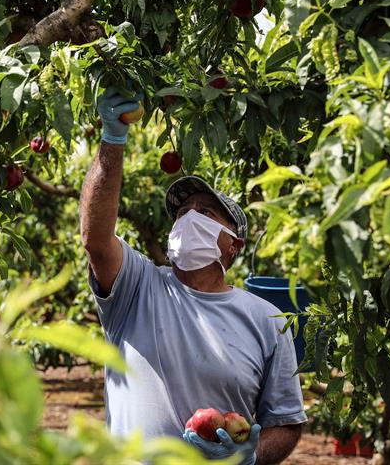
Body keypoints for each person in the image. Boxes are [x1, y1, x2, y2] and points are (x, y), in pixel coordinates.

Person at [79, 87, 307, 464]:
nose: (188, 218)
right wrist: (112, 140)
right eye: (183, 211)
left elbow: (285, 422)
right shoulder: (138, 287)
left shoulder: (267, 321)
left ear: (234, 244)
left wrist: (248, 460)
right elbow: (96, 239)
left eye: (205, 212)